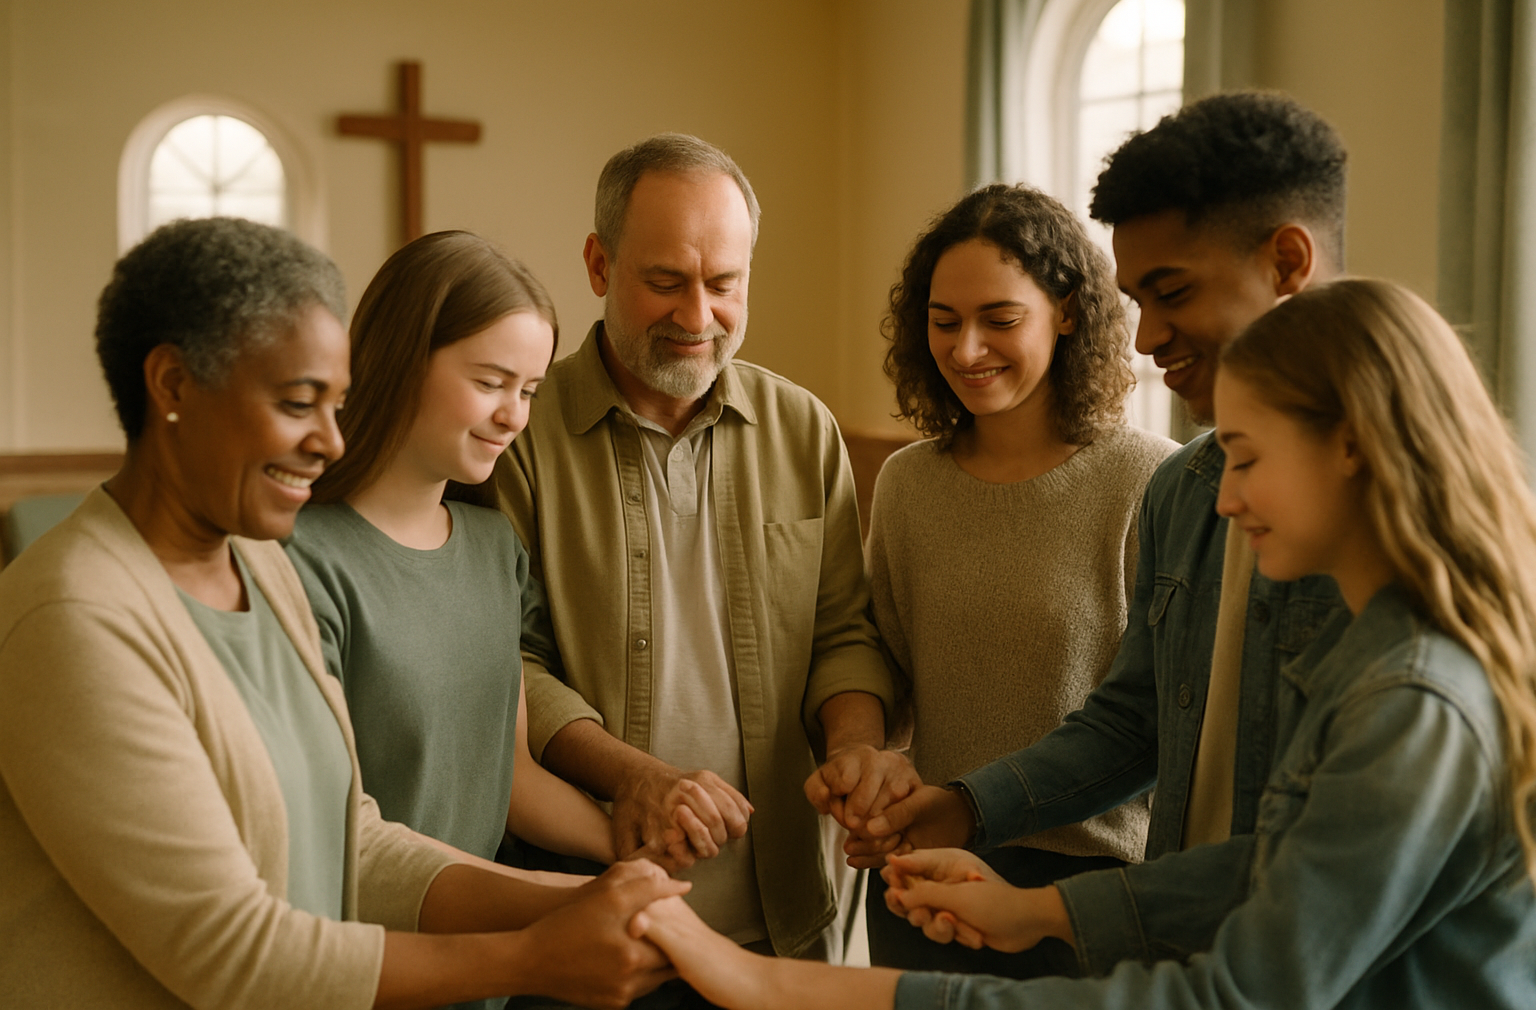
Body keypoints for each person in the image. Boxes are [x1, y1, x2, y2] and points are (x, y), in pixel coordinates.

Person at [628, 277, 1536, 1010]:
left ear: (1350, 446)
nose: (1224, 499)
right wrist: (1036, 910)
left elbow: (1232, 992)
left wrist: (780, 985)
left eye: (1249, 459)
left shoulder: (1413, 700)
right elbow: (1272, 869)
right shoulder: (1375, 661)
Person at [0, 217, 685, 1009]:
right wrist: (531, 958)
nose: (330, 442)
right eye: (299, 404)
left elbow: (349, 837)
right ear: (173, 386)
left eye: (337, 404)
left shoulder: (255, 563)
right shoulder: (74, 617)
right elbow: (233, 952)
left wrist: (573, 899)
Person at [847, 91, 1352, 972]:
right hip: (1175, 942)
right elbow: (1134, 722)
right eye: (1138, 298)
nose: (1149, 335)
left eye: (1173, 293)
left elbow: (1319, 871)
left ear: (1287, 262)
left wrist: (1052, 909)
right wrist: (963, 807)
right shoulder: (1190, 492)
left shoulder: (1398, 529)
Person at [495, 133, 909, 967]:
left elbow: (842, 631)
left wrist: (855, 748)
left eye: (724, 284)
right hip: (597, 913)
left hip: (785, 919)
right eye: (664, 282)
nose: (697, 317)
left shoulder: (803, 428)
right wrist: (634, 776)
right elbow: (506, 662)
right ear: (599, 265)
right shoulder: (519, 434)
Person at [283, 232, 626, 1010]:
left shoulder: (492, 547)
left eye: (531, 389)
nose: (513, 415)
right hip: (359, 966)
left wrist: (624, 849)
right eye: (490, 381)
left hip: (486, 961)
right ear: (404, 359)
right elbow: (338, 833)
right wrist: (547, 900)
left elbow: (506, 777)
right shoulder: (300, 559)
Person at [859, 183, 1177, 976]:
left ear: (1068, 312)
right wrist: (861, 765)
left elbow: (1158, 717)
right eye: (943, 322)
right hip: (924, 869)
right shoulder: (906, 483)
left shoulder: (1150, 480)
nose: (967, 350)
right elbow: (882, 666)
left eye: (999, 320)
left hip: (1094, 890)